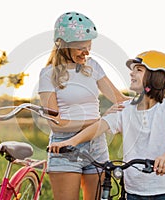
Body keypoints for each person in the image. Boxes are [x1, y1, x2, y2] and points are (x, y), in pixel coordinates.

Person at [48, 50, 165, 199]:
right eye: (132, 70)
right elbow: (99, 127)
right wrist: (71, 141)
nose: (131, 73)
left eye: (138, 70)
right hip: (133, 191)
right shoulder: (126, 108)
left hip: (164, 191)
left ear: (158, 77)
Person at [38, 11, 129, 200]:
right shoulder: (48, 74)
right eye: (81, 48)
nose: (86, 52)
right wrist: (98, 122)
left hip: (97, 145)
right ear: (62, 46)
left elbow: (121, 100)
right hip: (64, 147)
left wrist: (158, 99)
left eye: (89, 46)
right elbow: (55, 124)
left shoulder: (92, 66)